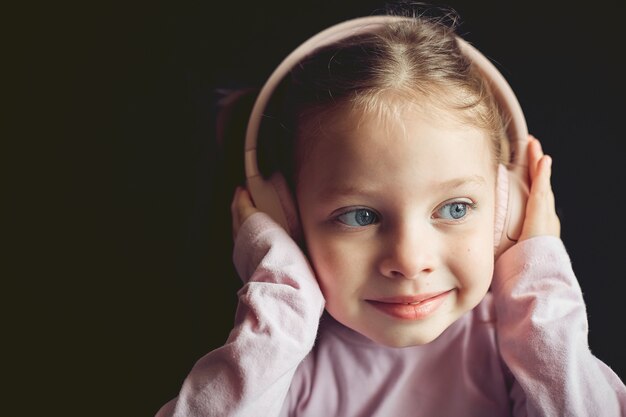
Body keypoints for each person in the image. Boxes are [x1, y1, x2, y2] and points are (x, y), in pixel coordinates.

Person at [156, 8, 626, 417]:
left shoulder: (522, 353)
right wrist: (280, 299)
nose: (409, 259)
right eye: (359, 216)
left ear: (509, 212)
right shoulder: (277, 365)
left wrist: (537, 285)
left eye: (455, 207)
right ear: (286, 223)